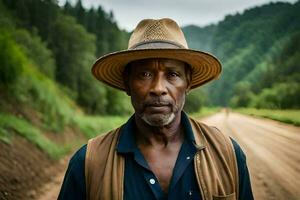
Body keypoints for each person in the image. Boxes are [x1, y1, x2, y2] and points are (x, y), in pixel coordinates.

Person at [58, 18, 253, 200]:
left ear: (188, 83)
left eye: (173, 74)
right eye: (145, 74)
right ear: (127, 83)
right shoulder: (88, 163)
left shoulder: (228, 155)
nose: (158, 89)